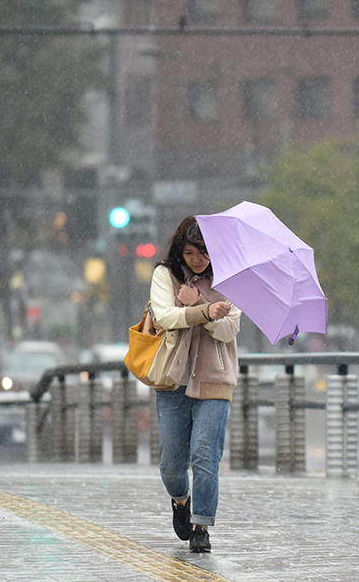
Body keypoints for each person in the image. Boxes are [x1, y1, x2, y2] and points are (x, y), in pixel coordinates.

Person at [148, 216, 241, 553]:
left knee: (205, 456)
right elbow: (164, 317)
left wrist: (201, 306)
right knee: (172, 465)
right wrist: (201, 310)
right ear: (180, 251)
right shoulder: (166, 275)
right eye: (190, 252)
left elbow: (229, 330)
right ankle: (180, 500)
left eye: (203, 252)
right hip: (173, 380)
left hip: (215, 381)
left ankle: (201, 527)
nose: (197, 260)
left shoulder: (230, 279)